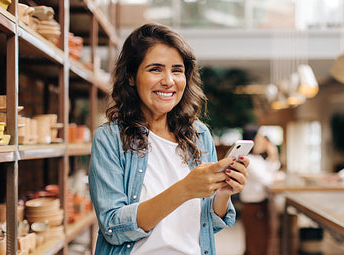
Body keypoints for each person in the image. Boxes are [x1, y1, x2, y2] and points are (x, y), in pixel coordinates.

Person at [88, 23, 250, 255]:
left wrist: (223, 192)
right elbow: (113, 227)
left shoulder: (200, 135)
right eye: (155, 69)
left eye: (177, 70)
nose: (168, 81)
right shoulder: (110, 138)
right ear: (132, 77)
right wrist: (185, 189)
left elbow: (208, 225)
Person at [239, 125, 280, 255]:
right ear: (253, 140)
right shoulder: (249, 160)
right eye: (260, 138)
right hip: (254, 207)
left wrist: (273, 156)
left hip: (258, 206)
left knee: (257, 243)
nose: (264, 141)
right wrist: (273, 156)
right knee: (256, 245)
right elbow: (267, 180)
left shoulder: (257, 159)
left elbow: (271, 170)